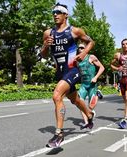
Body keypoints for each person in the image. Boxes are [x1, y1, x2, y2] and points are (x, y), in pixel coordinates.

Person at [40, 3, 95, 148]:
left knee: (57, 96)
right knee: (75, 99)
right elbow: (43, 55)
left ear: (66, 15)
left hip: (73, 70)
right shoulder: (48, 33)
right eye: (53, 12)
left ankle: (59, 134)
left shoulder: (74, 31)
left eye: (58, 12)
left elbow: (90, 42)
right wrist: (46, 45)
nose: (55, 14)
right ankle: (89, 115)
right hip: (60, 72)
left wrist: (83, 53)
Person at [76, 43, 105, 129]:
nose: (80, 49)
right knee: (80, 103)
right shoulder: (77, 60)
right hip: (83, 85)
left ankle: (97, 93)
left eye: (82, 48)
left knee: (90, 106)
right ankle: (86, 122)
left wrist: (96, 77)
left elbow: (102, 68)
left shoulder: (91, 57)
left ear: (86, 49)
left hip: (92, 84)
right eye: (79, 48)